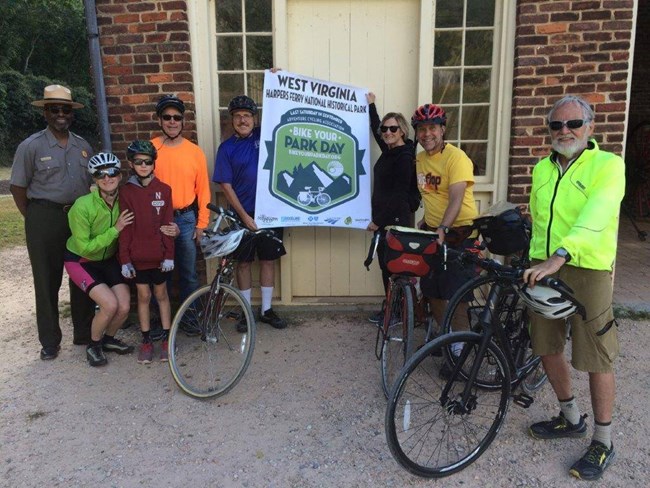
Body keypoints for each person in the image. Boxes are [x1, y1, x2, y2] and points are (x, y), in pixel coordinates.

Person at [523, 95, 624, 481]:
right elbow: (540, 218)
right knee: (546, 346)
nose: (564, 131)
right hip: (545, 268)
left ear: (590, 126)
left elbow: (597, 211)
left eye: (573, 123)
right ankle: (570, 418)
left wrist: (560, 255)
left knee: (596, 355)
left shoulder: (608, 166)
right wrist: (532, 261)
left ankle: (603, 441)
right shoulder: (541, 169)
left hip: (586, 270)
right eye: (556, 125)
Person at [10, 84, 97, 360]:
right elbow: (18, 188)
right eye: (54, 109)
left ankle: (83, 332)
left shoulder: (83, 146)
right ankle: (49, 340)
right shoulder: (31, 146)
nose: (61, 114)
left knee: (81, 275)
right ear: (45, 113)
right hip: (44, 217)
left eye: (65, 109)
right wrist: (35, 217)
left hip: (78, 218)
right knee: (46, 280)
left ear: (72, 113)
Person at [213, 95, 287, 330]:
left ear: (255, 119)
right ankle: (246, 312)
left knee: (268, 260)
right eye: (237, 116)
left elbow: (282, 115)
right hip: (241, 214)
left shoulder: (266, 137)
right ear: (232, 120)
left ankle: (266, 310)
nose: (242, 120)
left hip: (270, 212)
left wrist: (279, 80)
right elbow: (225, 186)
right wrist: (245, 217)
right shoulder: (226, 149)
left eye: (247, 115)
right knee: (243, 263)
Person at [64, 153, 135, 366]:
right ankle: (93, 345)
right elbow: (85, 246)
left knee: (123, 306)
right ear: (94, 179)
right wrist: (116, 230)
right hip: (81, 260)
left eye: (112, 172)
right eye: (100, 174)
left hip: (108, 259)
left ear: (119, 175)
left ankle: (109, 340)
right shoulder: (82, 205)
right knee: (110, 305)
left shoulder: (124, 200)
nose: (107, 178)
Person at [411, 103, 479, 327]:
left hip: (459, 233)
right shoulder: (420, 159)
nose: (427, 134)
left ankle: (459, 348)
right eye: (421, 129)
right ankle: (444, 339)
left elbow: (456, 199)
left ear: (442, 129)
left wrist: (442, 228)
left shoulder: (456, 158)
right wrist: (426, 221)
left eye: (432, 128)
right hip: (434, 232)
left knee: (457, 291)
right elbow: (431, 193)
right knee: (432, 289)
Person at [151, 95, 211, 326]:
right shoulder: (151, 149)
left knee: (188, 274)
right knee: (159, 275)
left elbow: (203, 191)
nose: (172, 121)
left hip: (186, 218)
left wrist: (201, 224)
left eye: (177, 117)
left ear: (183, 121)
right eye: (167, 117)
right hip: (158, 220)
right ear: (159, 120)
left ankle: (190, 318)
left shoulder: (194, 152)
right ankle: (161, 321)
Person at [118, 140, 175, 364]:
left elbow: (169, 225)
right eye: (138, 162)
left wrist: (169, 255)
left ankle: (167, 339)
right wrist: (125, 259)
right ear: (131, 164)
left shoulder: (164, 190)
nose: (143, 165)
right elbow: (125, 227)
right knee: (143, 296)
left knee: (161, 295)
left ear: (154, 163)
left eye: (148, 161)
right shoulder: (126, 192)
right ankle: (146, 340)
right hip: (138, 257)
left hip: (159, 256)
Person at [365, 93, 416, 323]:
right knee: (387, 267)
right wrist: (372, 105)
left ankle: (397, 312)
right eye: (385, 129)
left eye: (393, 129)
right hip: (386, 220)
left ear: (403, 131)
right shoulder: (390, 151)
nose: (387, 133)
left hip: (395, 221)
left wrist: (379, 222)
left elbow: (399, 195)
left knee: (394, 267)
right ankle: (394, 309)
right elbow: (376, 128)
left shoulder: (404, 157)